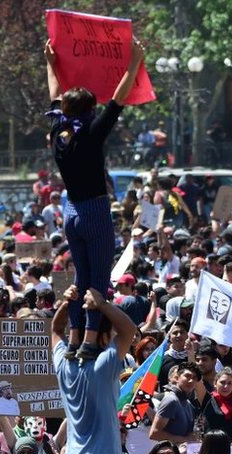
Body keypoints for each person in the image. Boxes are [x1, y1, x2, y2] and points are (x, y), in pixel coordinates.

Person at [44, 36, 146, 360]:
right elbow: (118, 99)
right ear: (90, 110)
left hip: (70, 212)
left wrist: (51, 64)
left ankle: (74, 338)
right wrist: (134, 62)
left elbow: (54, 96)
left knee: (80, 277)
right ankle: (89, 340)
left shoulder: (59, 132)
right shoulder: (91, 131)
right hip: (94, 212)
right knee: (99, 278)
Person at [52, 286, 137, 454]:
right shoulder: (104, 366)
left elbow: (55, 331)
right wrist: (102, 304)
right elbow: (129, 330)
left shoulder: (64, 366)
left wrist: (67, 305)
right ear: (103, 339)